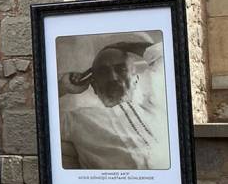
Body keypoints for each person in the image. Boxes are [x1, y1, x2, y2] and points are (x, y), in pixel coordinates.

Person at [58, 34, 169, 170]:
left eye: (121, 69)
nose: (113, 77)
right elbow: (40, 117)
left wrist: (119, 46)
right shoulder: (75, 120)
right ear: (94, 86)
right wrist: (62, 87)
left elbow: (165, 53)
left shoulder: (156, 103)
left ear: (135, 78)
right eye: (103, 72)